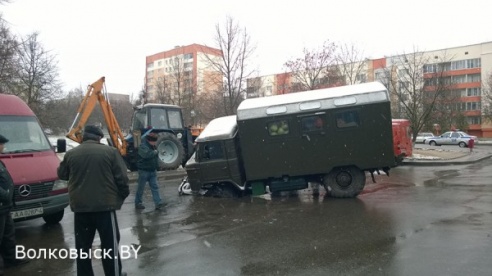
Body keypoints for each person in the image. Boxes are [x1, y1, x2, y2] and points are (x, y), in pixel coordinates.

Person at [57, 126, 129, 276]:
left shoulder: (71, 154)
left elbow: (62, 174)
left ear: (83, 137)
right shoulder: (110, 152)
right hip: (105, 207)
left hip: (81, 208)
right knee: (110, 247)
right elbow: (122, 179)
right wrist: (122, 195)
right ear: (98, 138)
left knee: (83, 248)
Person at [0, 134, 29, 274]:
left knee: (8, 235)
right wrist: (5, 195)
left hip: (4, 207)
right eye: (2, 144)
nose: (3, 147)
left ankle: (11, 259)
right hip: (1, 204)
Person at [135, 132, 165, 210]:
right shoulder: (143, 146)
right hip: (144, 170)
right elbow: (146, 155)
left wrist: (157, 166)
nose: (155, 143)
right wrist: (155, 152)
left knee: (154, 187)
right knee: (141, 188)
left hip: (152, 170)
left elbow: (154, 158)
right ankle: (138, 202)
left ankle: (158, 203)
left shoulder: (153, 146)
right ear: (149, 140)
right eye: (154, 141)